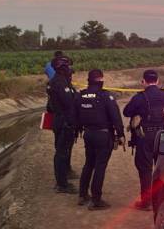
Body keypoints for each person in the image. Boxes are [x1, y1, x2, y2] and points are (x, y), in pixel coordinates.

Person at [123, 69, 164, 210]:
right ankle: (162, 199)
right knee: (162, 168)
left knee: (145, 170)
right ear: (157, 81)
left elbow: (126, 112)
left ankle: (146, 202)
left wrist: (139, 113)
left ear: (143, 81)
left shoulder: (140, 97)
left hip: (145, 136)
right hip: (163, 135)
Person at [76, 69, 125, 210]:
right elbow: (115, 116)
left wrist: (78, 129)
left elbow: (76, 115)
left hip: (88, 134)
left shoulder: (81, 96)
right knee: (100, 167)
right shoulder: (105, 96)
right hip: (103, 135)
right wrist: (120, 133)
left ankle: (82, 195)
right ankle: (96, 200)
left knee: (88, 164)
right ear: (101, 80)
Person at [46, 55, 78, 194]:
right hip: (64, 121)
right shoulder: (59, 83)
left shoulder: (60, 81)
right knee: (61, 152)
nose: (70, 69)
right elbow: (69, 103)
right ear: (62, 67)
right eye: (68, 66)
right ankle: (62, 184)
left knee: (64, 150)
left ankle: (64, 177)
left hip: (62, 120)